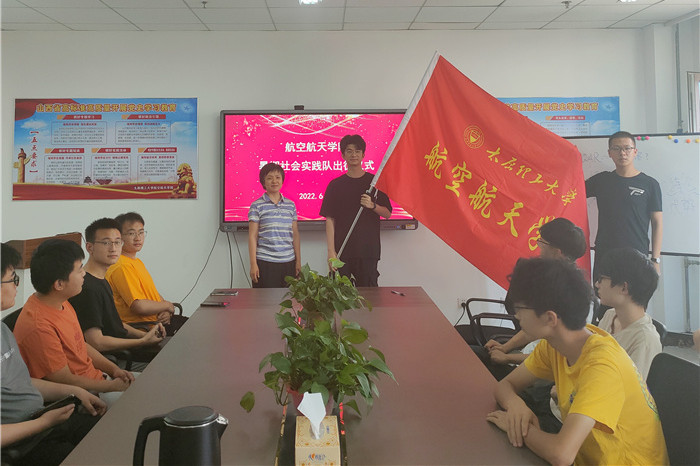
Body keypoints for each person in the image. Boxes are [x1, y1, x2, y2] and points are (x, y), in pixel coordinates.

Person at [486, 257, 668, 465]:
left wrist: (520, 428)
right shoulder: (554, 345)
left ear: (550, 318)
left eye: (520, 308)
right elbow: (505, 385)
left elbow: (561, 454)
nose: (517, 316)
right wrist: (515, 405)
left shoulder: (602, 366)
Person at [1, 243, 107, 466]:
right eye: (12, 279)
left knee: (109, 430)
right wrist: (44, 423)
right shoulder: (37, 322)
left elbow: (22, 382)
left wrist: (75, 392)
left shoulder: (2, 330)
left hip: (40, 419)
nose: (17, 285)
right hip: (21, 442)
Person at [13, 239, 135, 397]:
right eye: (79, 270)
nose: (84, 273)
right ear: (59, 284)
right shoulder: (39, 326)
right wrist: (111, 386)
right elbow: (63, 379)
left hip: (99, 381)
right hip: (84, 396)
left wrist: (114, 370)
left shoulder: (61, 301)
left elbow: (81, 346)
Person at [479, 218, 587, 376]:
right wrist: (504, 348)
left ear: (557, 252)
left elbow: (555, 360)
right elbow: (532, 326)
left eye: (542, 243)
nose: (539, 248)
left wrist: (508, 357)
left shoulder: (572, 294)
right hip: (526, 357)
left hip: (537, 374)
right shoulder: (549, 281)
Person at [68, 218, 165, 358]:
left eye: (118, 242)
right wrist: (142, 341)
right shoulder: (87, 287)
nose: (113, 248)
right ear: (90, 247)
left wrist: (145, 335)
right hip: (118, 356)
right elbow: (96, 342)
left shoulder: (102, 280)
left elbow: (114, 323)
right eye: (106, 243)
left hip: (125, 346)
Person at [586, 131, 663, 279]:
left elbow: (657, 223)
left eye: (627, 148)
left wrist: (655, 259)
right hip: (605, 253)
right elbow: (572, 192)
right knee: (603, 292)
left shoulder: (650, 184)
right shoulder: (601, 181)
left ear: (635, 151)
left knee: (634, 293)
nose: (622, 153)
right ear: (609, 153)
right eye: (616, 148)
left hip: (637, 253)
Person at [319, 134, 392, 286]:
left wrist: (373, 206)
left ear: (363, 155)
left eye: (357, 151)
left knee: (369, 296)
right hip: (342, 251)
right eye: (349, 151)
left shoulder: (374, 183)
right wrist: (331, 251)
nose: (354, 155)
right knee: (342, 296)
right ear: (343, 155)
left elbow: (387, 213)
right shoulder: (335, 185)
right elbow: (330, 219)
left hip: (368, 251)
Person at [594, 247, 662, 379]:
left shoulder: (645, 340)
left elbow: (633, 388)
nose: (597, 284)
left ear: (624, 288)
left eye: (602, 278)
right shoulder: (610, 315)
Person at [105, 212, 178, 329]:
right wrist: (167, 305)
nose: (138, 238)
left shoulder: (135, 261)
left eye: (141, 232)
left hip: (156, 324)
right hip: (142, 330)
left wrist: (165, 310)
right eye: (131, 233)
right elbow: (139, 306)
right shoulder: (122, 266)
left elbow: (152, 294)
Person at [248, 163, 301, 288]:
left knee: (288, 299)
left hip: (288, 262)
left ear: (282, 180)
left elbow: (295, 235)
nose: (274, 181)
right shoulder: (256, 205)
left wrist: (298, 261)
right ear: (263, 182)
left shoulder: (290, 205)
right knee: (265, 299)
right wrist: (253, 264)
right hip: (265, 262)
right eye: (269, 178)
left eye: (278, 177)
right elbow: (252, 236)